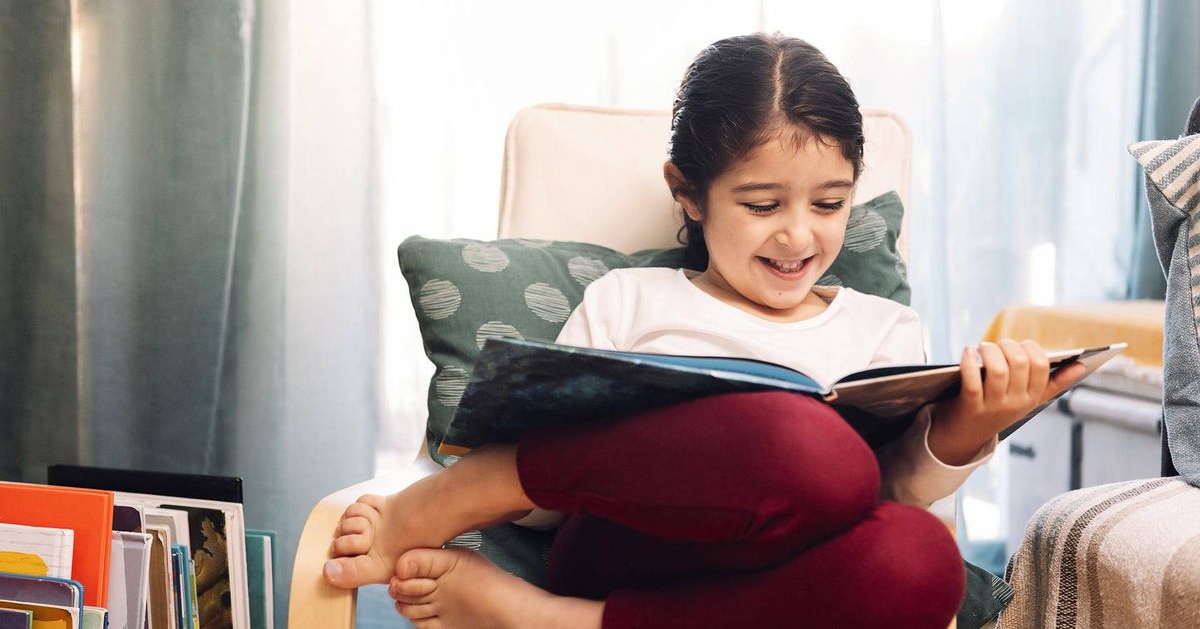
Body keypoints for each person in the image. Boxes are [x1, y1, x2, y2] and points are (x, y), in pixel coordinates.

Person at [322, 33, 1085, 628]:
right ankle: (460, 492)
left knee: (920, 561)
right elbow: (559, 506)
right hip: (628, 553)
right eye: (761, 205)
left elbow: (885, 508)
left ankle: (551, 624)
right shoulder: (632, 301)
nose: (797, 237)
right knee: (811, 450)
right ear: (687, 194)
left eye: (828, 204)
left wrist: (962, 430)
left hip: (778, 595)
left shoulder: (886, 327)